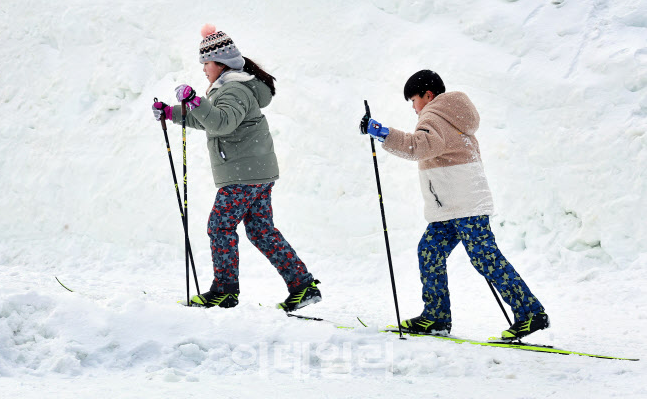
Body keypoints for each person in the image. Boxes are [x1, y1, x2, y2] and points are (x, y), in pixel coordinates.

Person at [359, 70, 549, 340]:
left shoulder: (435, 116)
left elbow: (419, 146)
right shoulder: (450, 116)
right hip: (452, 205)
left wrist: (382, 132)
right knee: (430, 251)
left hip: (464, 204)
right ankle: (435, 317)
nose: (414, 108)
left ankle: (530, 312)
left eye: (413, 100)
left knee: (485, 257)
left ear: (428, 95)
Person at [152, 24, 320, 311]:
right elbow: (210, 119)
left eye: (206, 63)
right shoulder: (229, 88)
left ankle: (225, 290)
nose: (204, 69)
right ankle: (302, 285)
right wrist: (173, 113)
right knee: (260, 230)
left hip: (244, 174)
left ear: (221, 63)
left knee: (220, 226)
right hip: (255, 171)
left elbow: (220, 122)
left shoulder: (234, 90)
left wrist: (195, 100)